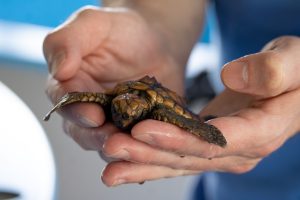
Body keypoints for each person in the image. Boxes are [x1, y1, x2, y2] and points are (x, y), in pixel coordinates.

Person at [43, 0, 300, 199]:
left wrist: (204, 128)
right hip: (238, 188)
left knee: (191, 126)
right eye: (122, 109)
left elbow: (181, 116)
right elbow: (86, 96)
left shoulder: (160, 107)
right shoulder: (113, 97)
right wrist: (151, 20)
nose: (124, 113)